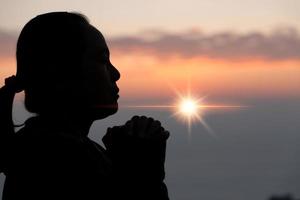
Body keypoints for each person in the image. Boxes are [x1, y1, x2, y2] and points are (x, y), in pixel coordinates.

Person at [0, 12, 169, 200]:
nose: (116, 73)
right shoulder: (58, 162)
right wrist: (142, 172)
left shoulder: (36, 149)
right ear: (60, 73)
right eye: (102, 61)